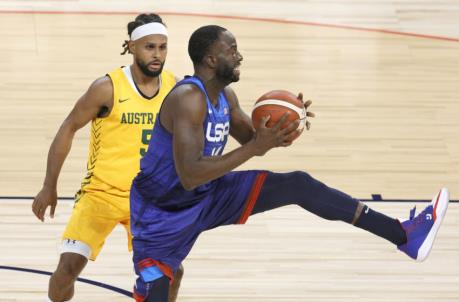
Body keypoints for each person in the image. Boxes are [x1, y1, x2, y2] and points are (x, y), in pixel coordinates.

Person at [129, 25, 450, 302]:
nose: (239, 56)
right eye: (232, 50)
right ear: (211, 60)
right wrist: (257, 146)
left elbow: (253, 138)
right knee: (160, 288)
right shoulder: (189, 98)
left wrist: (284, 122)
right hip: (162, 214)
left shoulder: (225, 98)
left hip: (208, 195)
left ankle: (404, 236)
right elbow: (189, 174)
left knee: (297, 184)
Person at [31, 13, 184, 302]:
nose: (157, 54)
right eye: (149, 47)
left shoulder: (174, 87)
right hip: (100, 194)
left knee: (172, 273)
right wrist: (49, 185)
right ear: (131, 47)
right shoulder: (107, 87)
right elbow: (68, 127)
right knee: (67, 269)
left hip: (148, 198)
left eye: (162, 47)